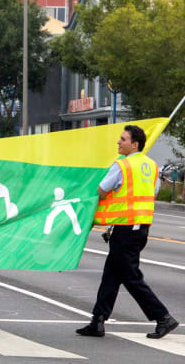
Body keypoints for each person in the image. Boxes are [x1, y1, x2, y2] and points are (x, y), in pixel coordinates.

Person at [76, 125, 178, 339]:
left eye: (122, 139)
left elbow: (101, 190)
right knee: (111, 274)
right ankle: (98, 320)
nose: (118, 142)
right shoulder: (151, 166)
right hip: (141, 228)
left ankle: (163, 317)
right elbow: (154, 191)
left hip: (125, 229)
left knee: (130, 276)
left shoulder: (121, 166)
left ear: (135, 144)